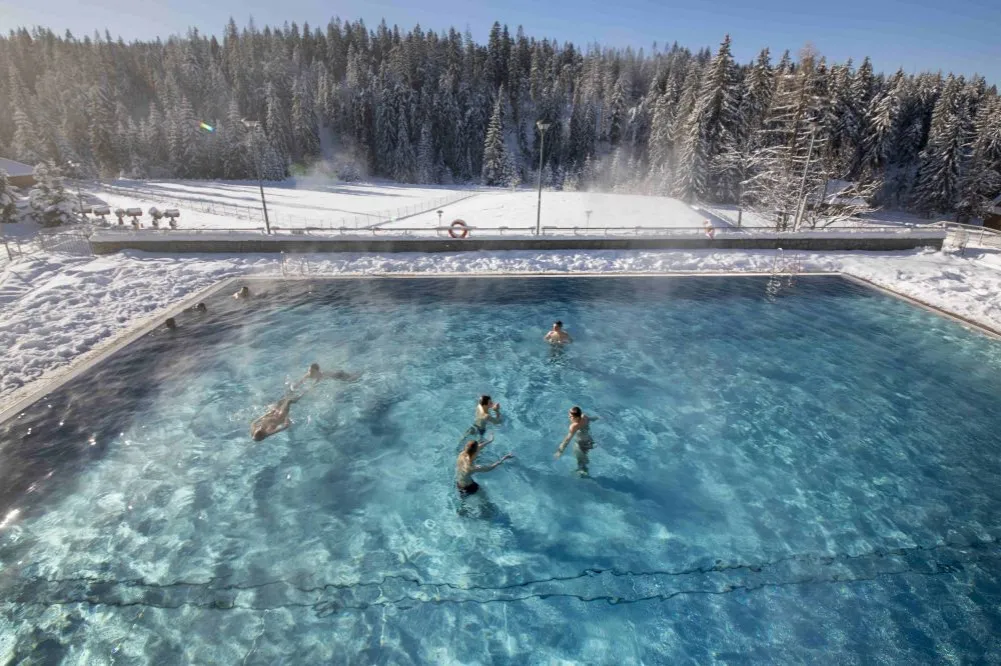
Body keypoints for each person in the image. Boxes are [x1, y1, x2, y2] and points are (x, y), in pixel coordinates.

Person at [555, 406, 599, 476]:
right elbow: (592, 419)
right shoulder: (584, 417)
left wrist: (559, 451)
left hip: (581, 444)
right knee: (584, 458)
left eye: (570, 416)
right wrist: (598, 418)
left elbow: (567, 440)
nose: (569, 417)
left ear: (576, 417)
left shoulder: (574, 426)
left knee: (581, 463)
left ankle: (584, 474)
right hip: (589, 441)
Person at [293, 363, 362, 391]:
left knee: (354, 379)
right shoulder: (308, 374)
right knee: (353, 377)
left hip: (339, 375)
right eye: (309, 370)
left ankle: (361, 372)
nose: (310, 372)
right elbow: (301, 381)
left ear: (317, 371)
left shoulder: (319, 374)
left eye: (312, 371)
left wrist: (310, 389)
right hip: (337, 374)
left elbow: (315, 384)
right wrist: (296, 385)